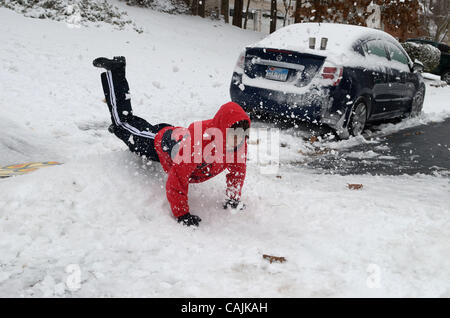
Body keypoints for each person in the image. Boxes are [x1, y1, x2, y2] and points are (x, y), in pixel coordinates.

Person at [93, 56, 251, 227]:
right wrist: (182, 214)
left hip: (176, 138)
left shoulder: (238, 144)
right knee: (122, 123)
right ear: (221, 128)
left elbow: (237, 172)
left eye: (241, 135)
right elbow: (176, 180)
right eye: (232, 134)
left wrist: (233, 199)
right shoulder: (198, 145)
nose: (237, 140)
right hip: (157, 144)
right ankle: (115, 71)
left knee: (135, 125)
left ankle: (128, 127)